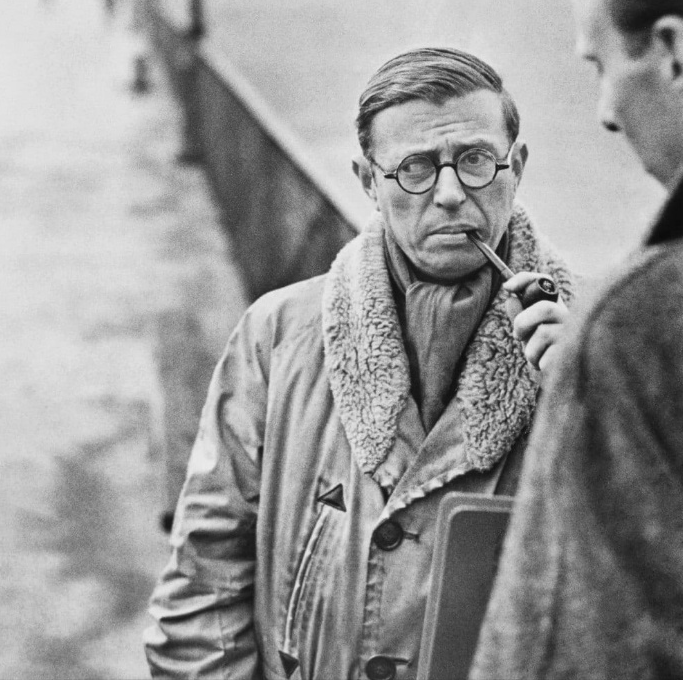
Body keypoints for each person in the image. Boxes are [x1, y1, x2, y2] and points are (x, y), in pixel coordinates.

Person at [145, 47, 574, 679]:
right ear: (368, 182)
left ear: (518, 166)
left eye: (477, 160)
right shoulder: (278, 336)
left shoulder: (600, 344)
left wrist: (593, 407)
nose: (452, 194)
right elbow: (202, 588)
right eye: (415, 169)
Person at [470, 0, 683, 680]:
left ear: (670, 51)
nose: (602, 111)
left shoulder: (640, 323)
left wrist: (607, 372)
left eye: (601, 64)